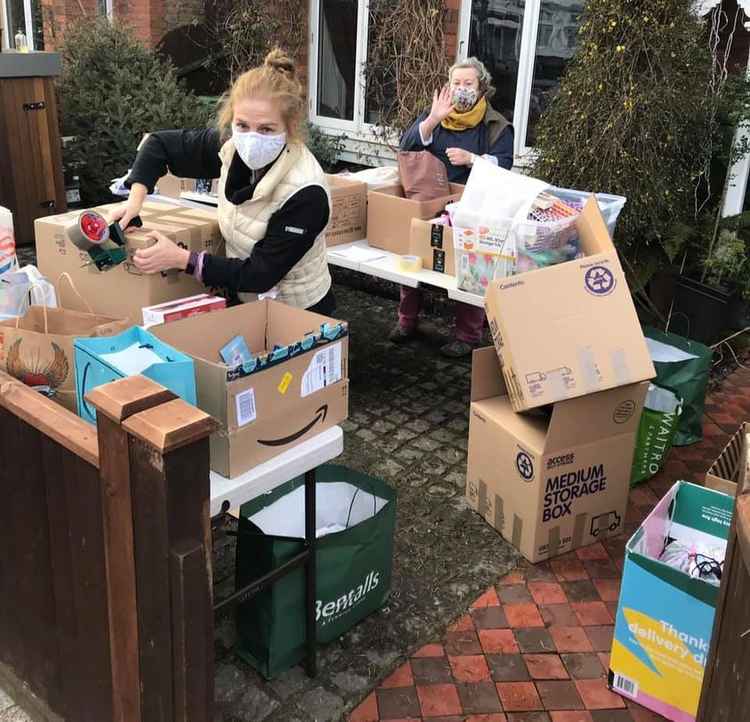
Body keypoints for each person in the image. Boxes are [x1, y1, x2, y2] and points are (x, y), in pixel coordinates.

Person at [112, 48, 335, 315]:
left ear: (289, 128)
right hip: (245, 301)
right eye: (242, 125)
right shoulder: (230, 148)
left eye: (266, 129)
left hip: (298, 311)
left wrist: (182, 259)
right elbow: (158, 145)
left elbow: (261, 274)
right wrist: (134, 202)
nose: (251, 139)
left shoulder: (306, 192)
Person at [391, 57, 513, 358]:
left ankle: (467, 336)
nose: (461, 89)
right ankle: (407, 321)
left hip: (472, 210)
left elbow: (505, 166)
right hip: (431, 204)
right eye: (456, 83)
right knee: (414, 263)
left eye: (468, 83)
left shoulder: (494, 124)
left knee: (470, 272)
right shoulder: (438, 116)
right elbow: (407, 147)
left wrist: (473, 159)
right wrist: (432, 118)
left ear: (481, 87)